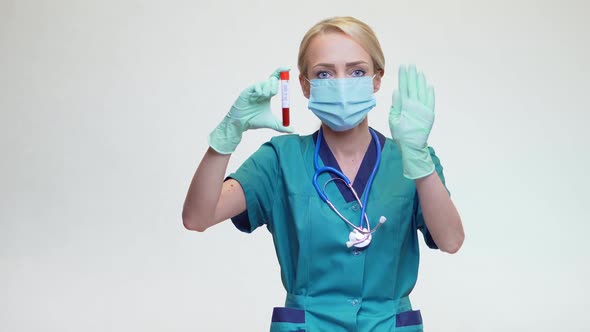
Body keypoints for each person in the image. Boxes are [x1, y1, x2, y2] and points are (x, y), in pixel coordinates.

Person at [182, 16, 464, 332]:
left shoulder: (412, 160)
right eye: (324, 73)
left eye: (356, 71)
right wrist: (227, 134)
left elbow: (451, 240)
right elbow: (197, 217)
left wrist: (419, 160)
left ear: (376, 80)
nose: (342, 83)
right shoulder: (279, 160)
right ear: (305, 85)